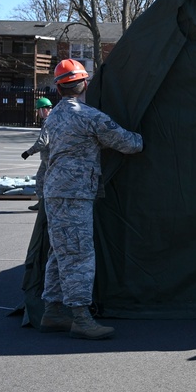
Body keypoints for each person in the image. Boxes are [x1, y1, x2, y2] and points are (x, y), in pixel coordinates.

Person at [38, 59, 143, 339]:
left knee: (60, 252)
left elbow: (45, 157)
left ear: (59, 88)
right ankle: (81, 317)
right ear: (84, 84)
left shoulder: (53, 117)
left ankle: (52, 311)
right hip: (74, 194)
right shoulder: (88, 116)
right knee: (79, 254)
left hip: (55, 191)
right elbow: (130, 144)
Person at [22, 97, 53, 211]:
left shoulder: (48, 121)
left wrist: (28, 152)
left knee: (44, 180)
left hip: (50, 157)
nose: (37, 113)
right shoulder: (55, 119)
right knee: (41, 179)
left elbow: (42, 142)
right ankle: (42, 203)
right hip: (49, 157)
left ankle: (46, 204)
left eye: (38, 110)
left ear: (44, 110)